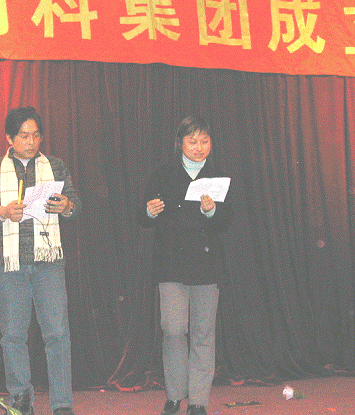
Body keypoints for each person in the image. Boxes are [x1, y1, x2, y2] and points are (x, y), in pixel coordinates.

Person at [0, 106, 81, 415]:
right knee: (13, 336)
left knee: (57, 334)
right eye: (23, 136)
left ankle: (62, 404)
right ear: (9, 138)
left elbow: (76, 205)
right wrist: (3, 212)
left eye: (36, 136)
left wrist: (67, 206)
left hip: (49, 262)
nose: (31, 142)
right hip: (10, 265)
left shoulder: (55, 166)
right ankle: (21, 399)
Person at [138, 116, 233, 415]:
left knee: (203, 333)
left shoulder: (218, 177)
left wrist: (212, 212)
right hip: (171, 263)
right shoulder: (162, 175)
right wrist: (149, 211)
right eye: (193, 141)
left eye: (205, 141)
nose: (199, 147)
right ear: (180, 143)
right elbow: (142, 217)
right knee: (173, 329)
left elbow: (227, 221)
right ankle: (175, 394)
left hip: (206, 264)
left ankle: (198, 400)